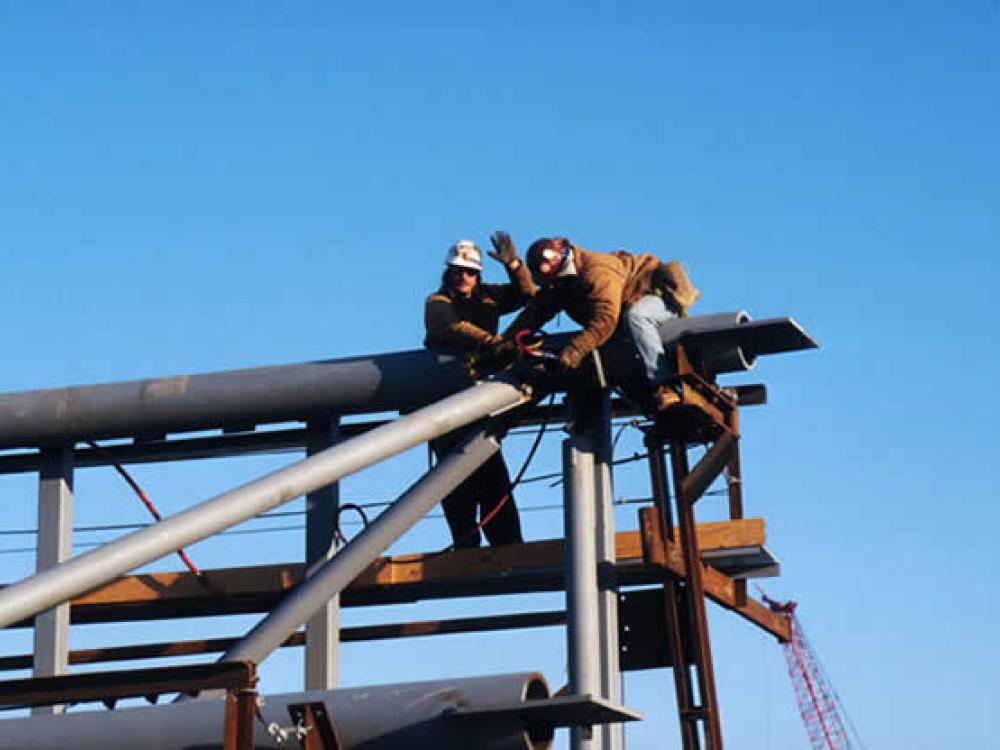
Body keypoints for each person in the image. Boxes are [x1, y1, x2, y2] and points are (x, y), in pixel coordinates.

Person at [423, 232, 534, 548]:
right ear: (449, 272)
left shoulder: (488, 296)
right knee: (453, 478)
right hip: (445, 402)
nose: (464, 277)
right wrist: (494, 343)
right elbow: (452, 327)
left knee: (491, 474)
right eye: (458, 271)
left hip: (480, 399)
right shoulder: (438, 302)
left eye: (470, 271)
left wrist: (514, 265)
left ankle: (508, 545)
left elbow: (527, 294)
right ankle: (467, 546)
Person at [504, 236, 699, 411]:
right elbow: (534, 314)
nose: (553, 287)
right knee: (610, 357)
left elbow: (605, 320)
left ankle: (665, 385)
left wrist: (576, 349)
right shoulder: (561, 284)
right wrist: (503, 343)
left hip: (654, 295)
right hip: (620, 312)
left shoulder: (596, 271)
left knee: (637, 317)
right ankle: (644, 398)